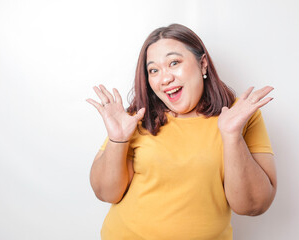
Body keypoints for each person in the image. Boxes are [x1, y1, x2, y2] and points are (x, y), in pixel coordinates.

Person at [86, 23, 277, 240]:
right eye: (154, 70)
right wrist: (117, 140)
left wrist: (232, 136)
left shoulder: (240, 115)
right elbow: (105, 193)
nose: (164, 78)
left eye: (174, 62)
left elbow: (253, 206)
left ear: (203, 64)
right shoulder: (136, 117)